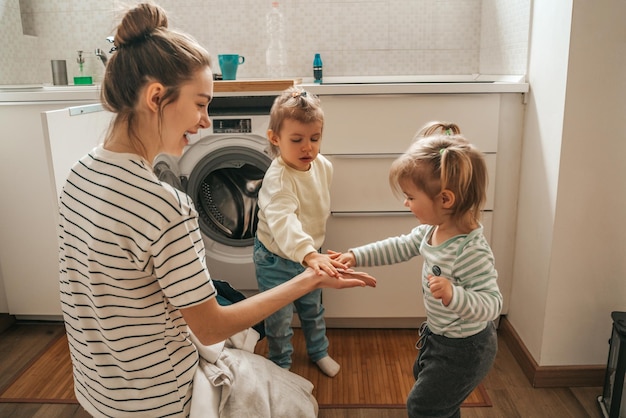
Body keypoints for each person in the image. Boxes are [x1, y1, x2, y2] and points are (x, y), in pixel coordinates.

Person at [57, 3, 376, 417]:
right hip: (162, 399)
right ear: (156, 97)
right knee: (301, 401)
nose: (206, 121)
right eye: (201, 104)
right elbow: (209, 326)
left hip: (100, 391)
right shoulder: (165, 205)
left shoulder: (79, 173)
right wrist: (308, 280)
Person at [331, 121, 503, 418]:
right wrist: (354, 256)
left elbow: (493, 304)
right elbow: (398, 246)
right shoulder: (432, 230)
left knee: (423, 406)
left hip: (467, 350)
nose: (406, 202)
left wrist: (454, 294)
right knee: (440, 404)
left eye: (411, 197)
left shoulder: (470, 250)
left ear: (445, 199)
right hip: (440, 338)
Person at [254, 86, 345, 377]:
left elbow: (313, 206)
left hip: (311, 254)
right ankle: (281, 365)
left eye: (314, 138)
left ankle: (318, 351)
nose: (308, 147)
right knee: (278, 318)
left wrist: (311, 253)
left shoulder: (322, 166)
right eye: (297, 140)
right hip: (276, 259)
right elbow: (284, 222)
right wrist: (308, 253)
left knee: (313, 309)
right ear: (275, 139)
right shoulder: (278, 180)